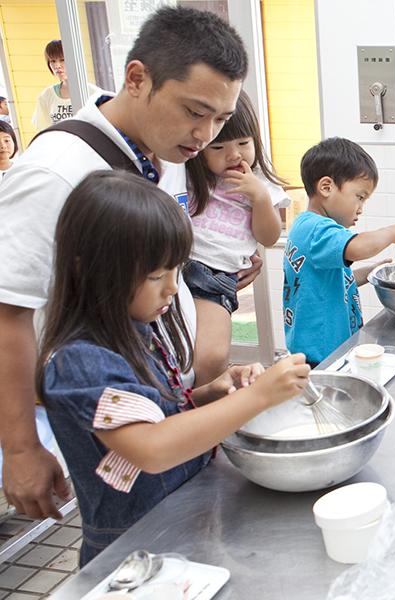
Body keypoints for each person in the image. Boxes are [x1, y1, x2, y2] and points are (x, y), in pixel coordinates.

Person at [0, 6, 249, 521]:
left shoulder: (167, 151)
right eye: (194, 111)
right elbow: (8, 310)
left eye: (221, 119)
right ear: (137, 79)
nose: (205, 134)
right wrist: (22, 448)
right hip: (114, 417)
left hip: (158, 392)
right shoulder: (55, 173)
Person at [38, 171, 310, 565]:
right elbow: (152, 446)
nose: (171, 288)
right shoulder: (79, 361)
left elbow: (152, 412)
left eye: (176, 270)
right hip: (131, 550)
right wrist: (258, 396)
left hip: (177, 518)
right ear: (88, 269)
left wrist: (211, 391)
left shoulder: (136, 328)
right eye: (155, 275)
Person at [184, 91, 289, 384]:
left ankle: (209, 401)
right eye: (218, 147)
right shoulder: (192, 178)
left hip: (215, 276)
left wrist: (259, 199)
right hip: (179, 266)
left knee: (210, 357)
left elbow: (268, 237)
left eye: (243, 143)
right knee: (184, 350)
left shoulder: (261, 185)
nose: (234, 154)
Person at [283, 138, 395, 365]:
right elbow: (359, 247)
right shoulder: (317, 229)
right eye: (359, 197)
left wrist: (371, 271)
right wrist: (392, 232)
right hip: (322, 354)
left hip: (325, 350)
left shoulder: (307, 227)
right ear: (326, 187)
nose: (361, 208)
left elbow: (333, 282)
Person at [31, 40, 106, 130]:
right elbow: (44, 130)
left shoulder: (93, 93)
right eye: (53, 61)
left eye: (62, 60)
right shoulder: (46, 95)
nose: (57, 65)